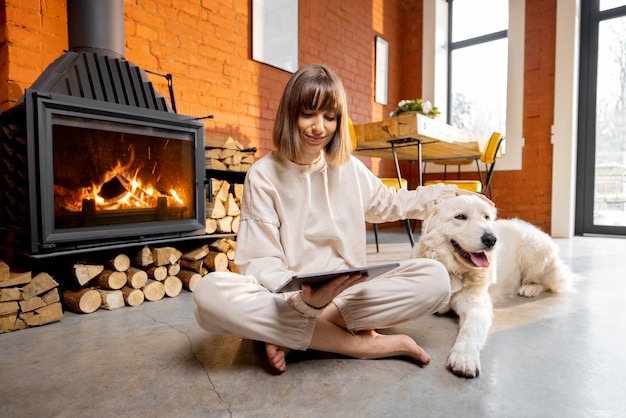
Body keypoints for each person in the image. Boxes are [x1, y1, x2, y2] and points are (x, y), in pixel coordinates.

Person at [193, 63, 493, 372]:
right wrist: (303, 302)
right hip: (290, 297)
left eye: (330, 117)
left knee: (435, 278)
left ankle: (292, 333)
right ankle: (360, 344)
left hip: (348, 293)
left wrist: (448, 192)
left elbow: (388, 203)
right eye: (308, 114)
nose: (319, 127)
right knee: (209, 292)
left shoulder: (346, 166)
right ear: (289, 114)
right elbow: (261, 260)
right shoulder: (264, 175)